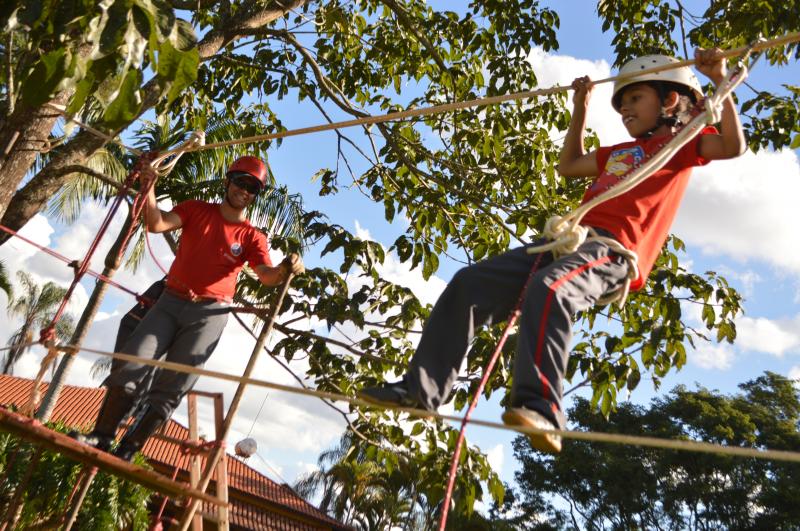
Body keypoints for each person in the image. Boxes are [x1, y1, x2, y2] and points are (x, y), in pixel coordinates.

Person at [359, 48, 745, 454]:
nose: (625, 111)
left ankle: (543, 409)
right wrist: (581, 107)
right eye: (622, 104)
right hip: (568, 243)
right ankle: (423, 390)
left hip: (612, 251)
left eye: (635, 99)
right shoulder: (620, 153)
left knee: (552, 288)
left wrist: (719, 78)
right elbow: (569, 165)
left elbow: (733, 146)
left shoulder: (684, 144)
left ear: (669, 100)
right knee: (469, 283)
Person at [74, 156, 304, 460]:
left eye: (252, 188)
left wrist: (287, 267)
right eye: (240, 182)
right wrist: (150, 187)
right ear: (228, 182)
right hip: (170, 301)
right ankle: (101, 436)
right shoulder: (196, 209)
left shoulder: (252, 237)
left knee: (173, 386)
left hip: (208, 314)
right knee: (132, 363)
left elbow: (266, 276)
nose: (244, 191)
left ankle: (129, 448)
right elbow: (156, 223)